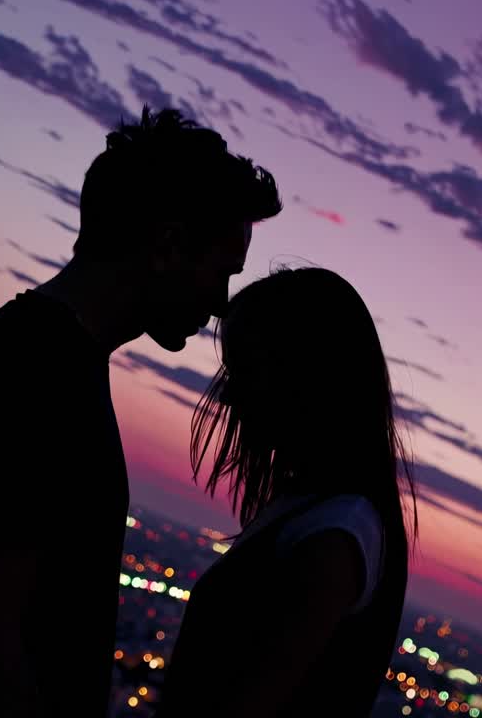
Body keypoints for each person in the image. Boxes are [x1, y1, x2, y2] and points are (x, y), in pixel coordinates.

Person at [0, 106, 282, 717]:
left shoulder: (44, 357)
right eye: (222, 272)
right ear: (168, 245)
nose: (220, 303)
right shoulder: (35, 372)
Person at [156, 266, 417, 717]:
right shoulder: (317, 512)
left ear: (301, 376)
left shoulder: (337, 533)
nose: (229, 399)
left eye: (245, 372)